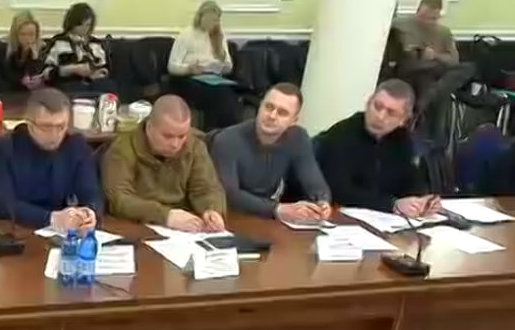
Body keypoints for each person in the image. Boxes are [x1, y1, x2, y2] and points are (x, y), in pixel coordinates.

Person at [315, 79, 440, 218]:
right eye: (377, 106)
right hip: (343, 216)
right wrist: (392, 205)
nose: (380, 116)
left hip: (385, 220)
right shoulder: (341, 134)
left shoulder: (402, 139)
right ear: (368, 102)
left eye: (391, 113)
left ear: (404, 120)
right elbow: (339, 191)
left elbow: (411, 179)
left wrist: (422, 201)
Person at [102, 95, 227, 232]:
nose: (175, 144)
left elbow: (206, 188)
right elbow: (120, 200)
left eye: (182, 136)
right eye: (168, 136)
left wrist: (211, 210)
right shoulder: (123, 149)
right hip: (136, 225)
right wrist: (166, 216)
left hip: (186, 228)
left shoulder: (195, 146)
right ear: (149, 127)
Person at [210, 83, 332, 223]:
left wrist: (322, 202)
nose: (272, 116)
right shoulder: (227, 140)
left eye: (282, 113)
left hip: (266, 218)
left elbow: (312, 178)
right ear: (260, 106)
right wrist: (276, 209)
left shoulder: (298, 138)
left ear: (293, 120)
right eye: (268, 107)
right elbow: (228, 195)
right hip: (229, 216)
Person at [0, 88, 101, 232]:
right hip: (15, 230)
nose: (54, 134)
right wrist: (51, 218)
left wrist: (89, 213)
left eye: (61, 126)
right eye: (46, 127)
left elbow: (91, 193)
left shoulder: (76, 147)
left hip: (63, 233)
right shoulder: (1, 150)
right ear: (29, 123)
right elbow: (4, 204)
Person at [393, 0, 474, 143]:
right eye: (424, 16)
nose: (427, 21)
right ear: (417, 11)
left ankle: (428, 99)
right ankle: (435, 139)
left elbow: (454, 61)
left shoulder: (443, 32)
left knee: (468, 68)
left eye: (432, 19)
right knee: (439, 92)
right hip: (412, 70)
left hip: (437, 70)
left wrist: (435, 55)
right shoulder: (400, 26)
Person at [168, 0, 240, 130]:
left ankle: (225, 132)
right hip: (190, 78)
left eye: (216, 20)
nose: (213, 23)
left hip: (213, 78)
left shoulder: (218, 36)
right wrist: (189, 69)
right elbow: (172, 66)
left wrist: (223, 62)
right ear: (200, 17)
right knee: (219, 94)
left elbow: (229, 67)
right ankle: (216, 132)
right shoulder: (186, 35)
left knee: (228, 93)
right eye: (210, 19)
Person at [44, 2, 116, 96]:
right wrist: (72, 69)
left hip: (95, 83)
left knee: (108, 87)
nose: (84, 29)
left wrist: (97, 73)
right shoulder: (58, 42)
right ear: (72, 24)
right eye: (81, 25)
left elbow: (106, 69)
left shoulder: (95, 44)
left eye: (88, 25)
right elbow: (46, 73)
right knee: (72, 88)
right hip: (70, 84)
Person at [1, 11, 48, 92]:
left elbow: (40, 74)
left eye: (31, 34)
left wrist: (35, 58)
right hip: (10, 91)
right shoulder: (4, 48)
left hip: (34, 92)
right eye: (23, 34)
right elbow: (5, 76)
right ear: (15, 34)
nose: (27, 39)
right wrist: (21, 81)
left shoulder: (42, 48)